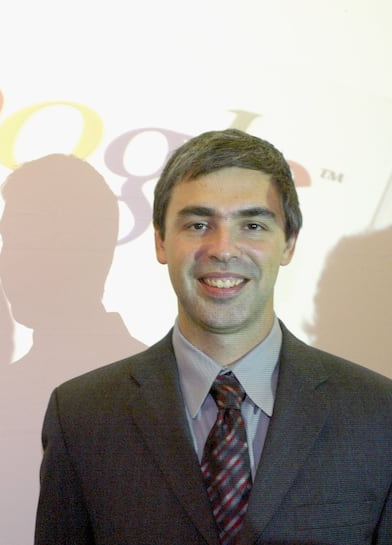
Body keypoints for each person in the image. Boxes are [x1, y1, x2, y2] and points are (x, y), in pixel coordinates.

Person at [35, 128, 392, 545]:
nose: (223, 248)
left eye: (253, 225)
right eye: (199, 223)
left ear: (289, 243)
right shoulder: (81, 416)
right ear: (161, 241)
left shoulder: (379, 416)